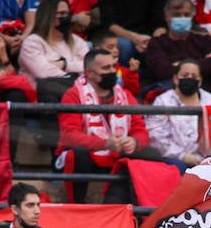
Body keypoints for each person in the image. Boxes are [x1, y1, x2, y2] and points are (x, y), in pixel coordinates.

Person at [57, 49, 162, 205]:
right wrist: (105, 143)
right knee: (77, 155)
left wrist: (134, 142)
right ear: (90, 73)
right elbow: (70, 136)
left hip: (117, 154)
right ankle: (76, 206)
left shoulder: (125, 95)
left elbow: (141, 131)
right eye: (106, 68)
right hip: (90, 155)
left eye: (113, 67)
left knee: (151, 154)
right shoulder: (73, 95)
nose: (112, 71)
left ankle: (140, 210)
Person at [143, 0, 211, 93]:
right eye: (176, 15)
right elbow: (161, 70)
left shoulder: (206, 40)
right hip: (168, 95)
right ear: (166, 17)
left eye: (186, 15)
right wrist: (199, 66)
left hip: (204, 95)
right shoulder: (156, 43)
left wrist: (178, 65)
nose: (182, 18)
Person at [149, 59, 211, 168]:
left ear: (200, 81)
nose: (189, 78)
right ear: (175, 78)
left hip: (204, 159)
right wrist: (183, 156)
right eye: (185, 75)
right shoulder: (162, 101)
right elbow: (156, 137)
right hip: (174, 158)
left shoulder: (209, 99)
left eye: (194, 76)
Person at [95, 0, 167, 60]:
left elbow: (160, 23)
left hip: (148, 37)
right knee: (124, 46)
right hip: (119, 35)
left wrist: (153, 42)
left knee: (162, 46)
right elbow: (108, 23)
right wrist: (135, 38)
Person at [19, 0, 87, 87]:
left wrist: (64, 65)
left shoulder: (77, 41)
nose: (66, 17)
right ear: (48, 16)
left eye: (68, 14)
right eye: (62, 13)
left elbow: (89, 67)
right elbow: (43, 72)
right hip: (40, 94)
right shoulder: (32, 42)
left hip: (75, 91)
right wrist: (72, 77)